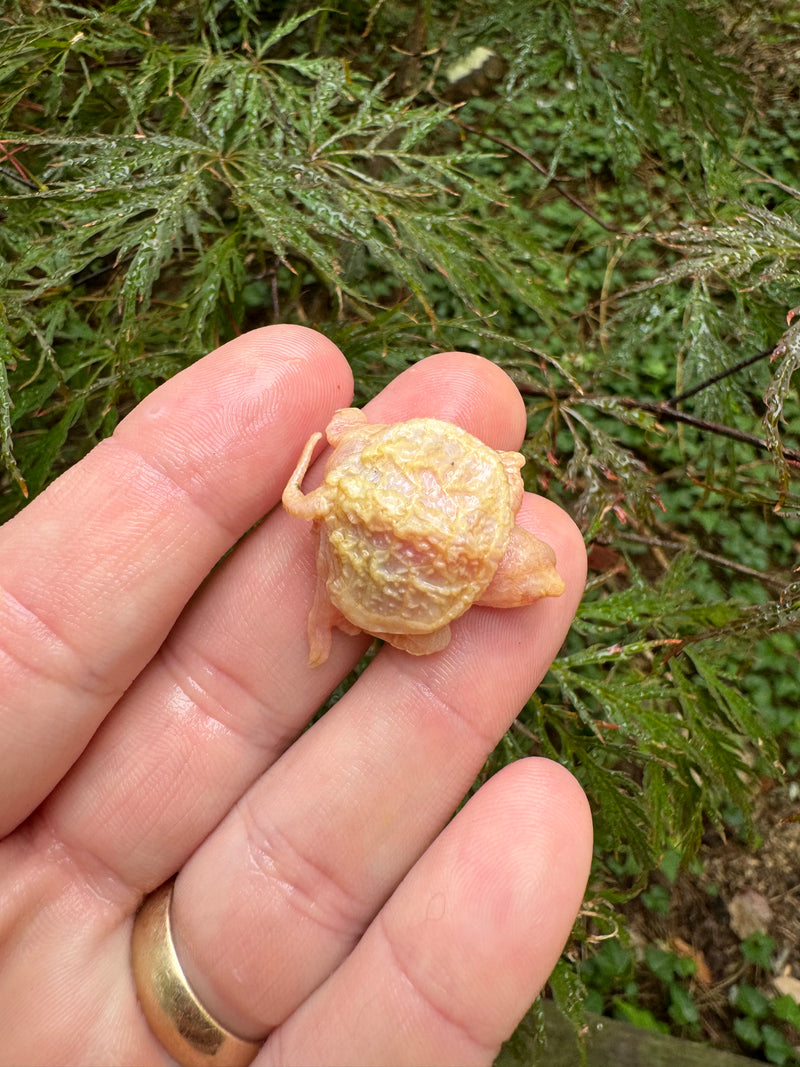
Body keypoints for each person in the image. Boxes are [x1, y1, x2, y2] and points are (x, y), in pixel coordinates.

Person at [0, 325, 592, 1066]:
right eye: (524, 579)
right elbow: (428, 629)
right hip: (378, 502)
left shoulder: (493, 484)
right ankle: (333, 596)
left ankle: (335, 582)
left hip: (381, 484)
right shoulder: (488, 497)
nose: (538, 582)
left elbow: (452, 604)